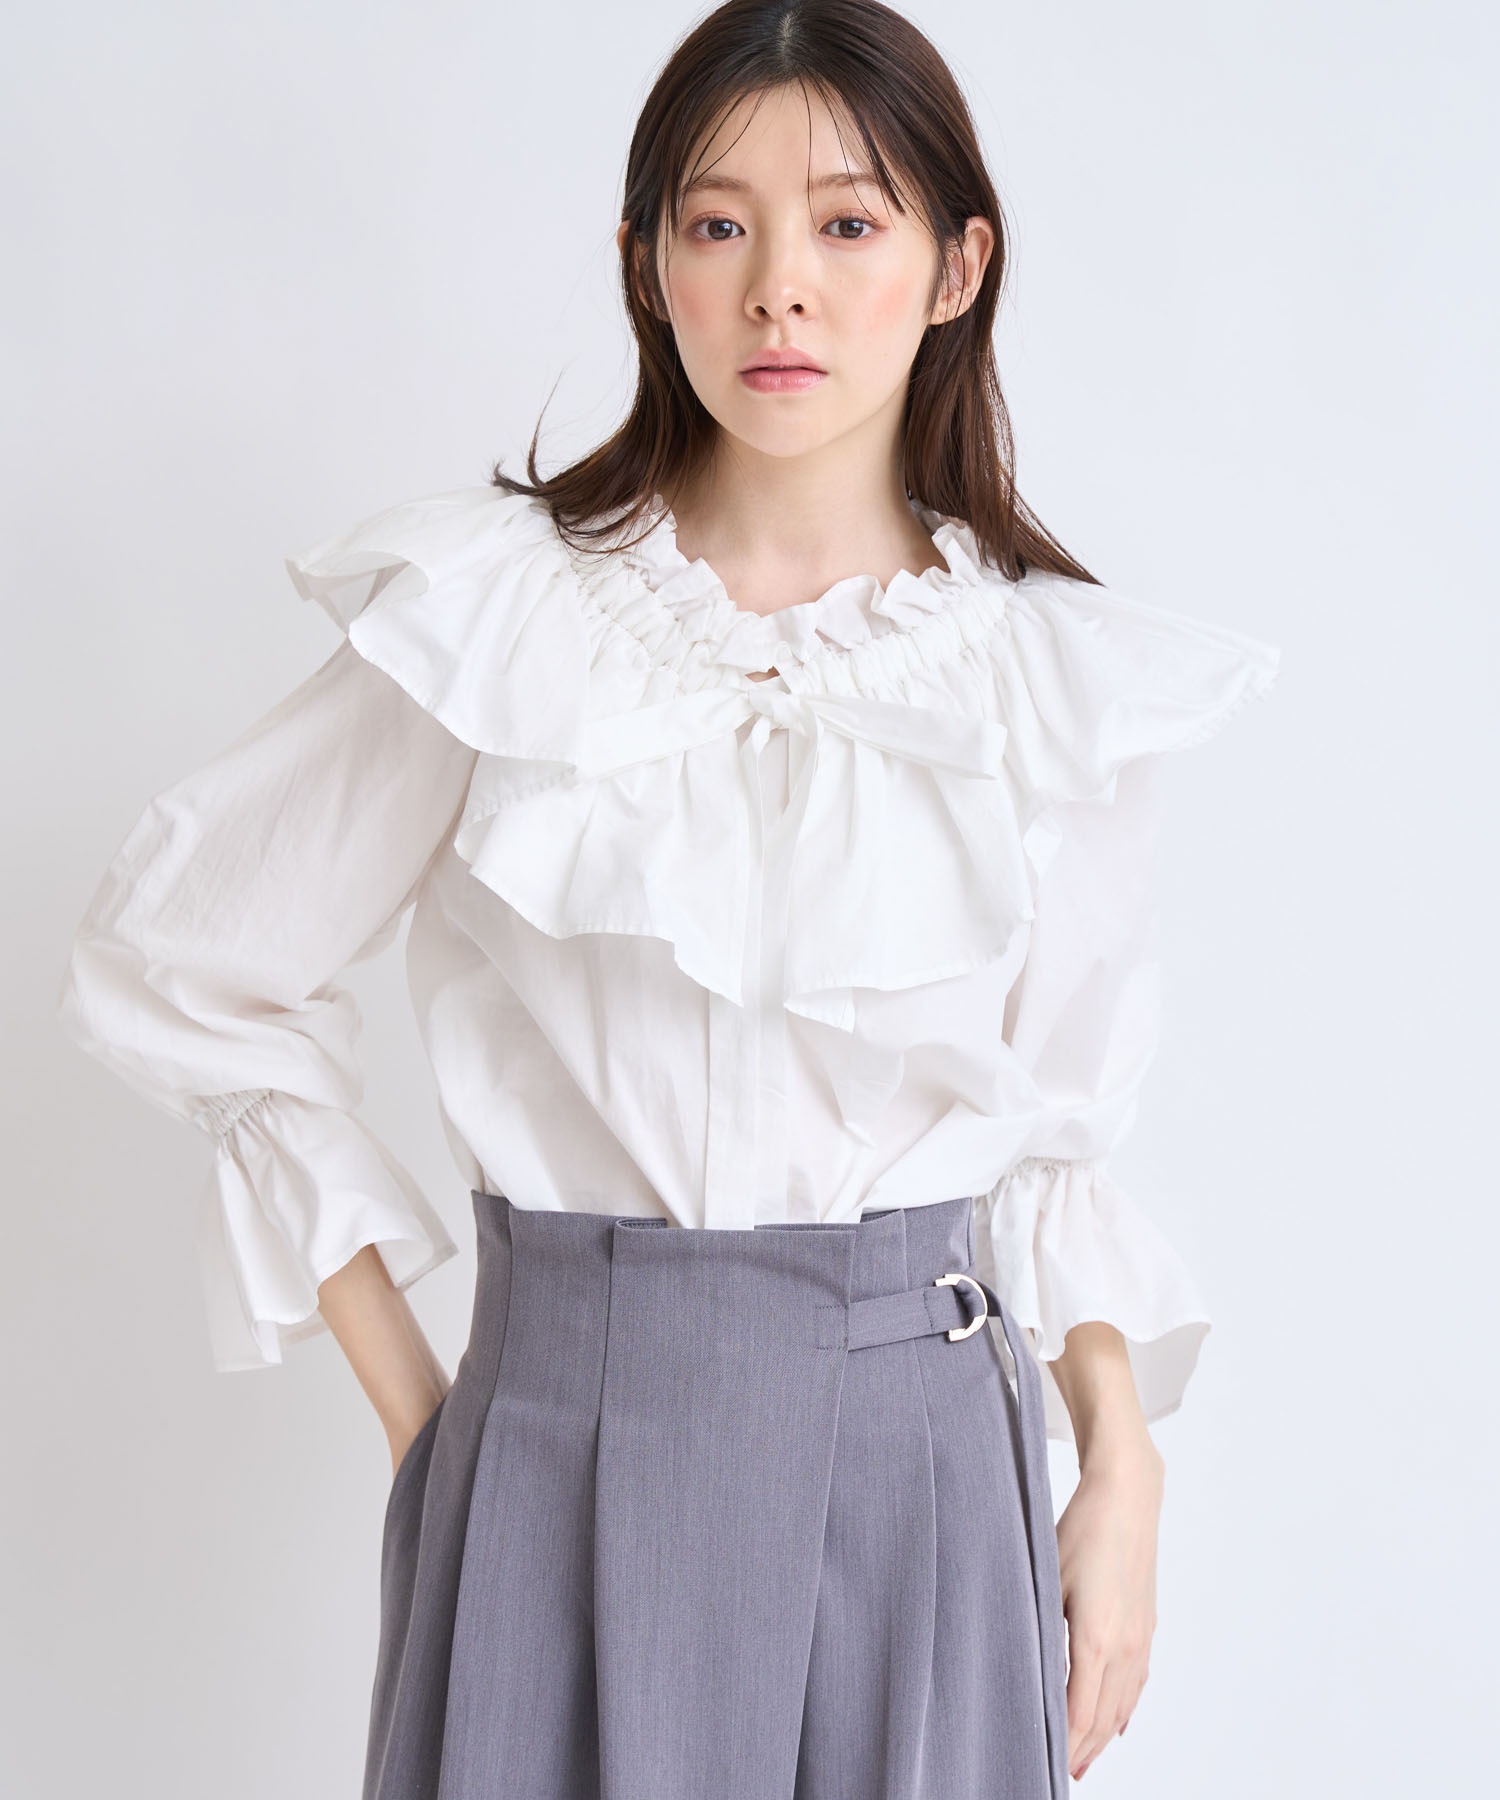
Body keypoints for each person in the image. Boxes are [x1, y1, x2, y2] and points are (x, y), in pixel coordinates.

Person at [55, 3, 1281, 1795]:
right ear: (648, 266)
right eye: (721, 225)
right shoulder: (498, 619)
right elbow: (180, 960)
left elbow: (1055, 1138)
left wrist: (1125, 1466)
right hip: (559, 1460)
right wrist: (430, 1421)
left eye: (849, 224)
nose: (782, 289)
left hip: (929, 1488)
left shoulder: (1045, 683)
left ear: (957, 267)